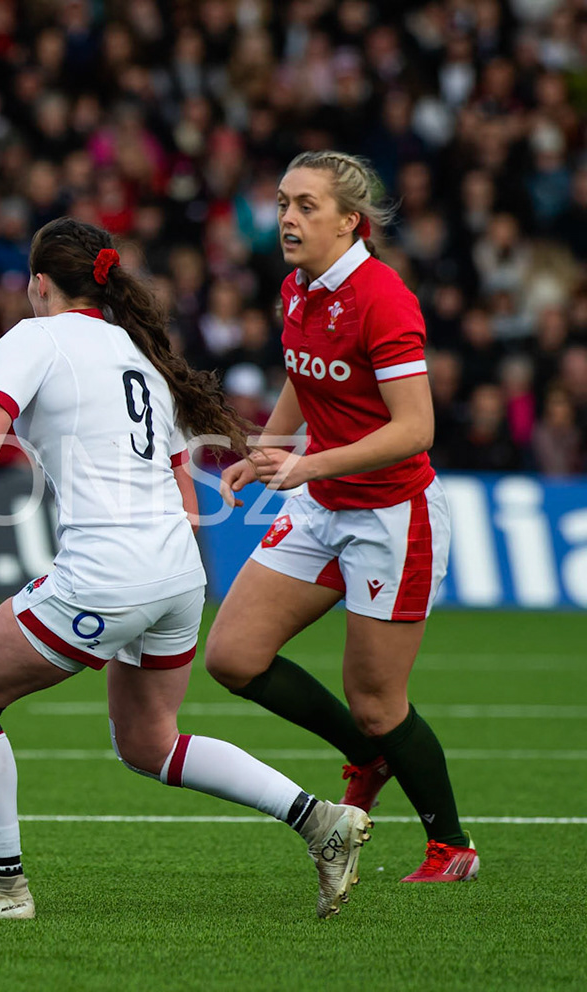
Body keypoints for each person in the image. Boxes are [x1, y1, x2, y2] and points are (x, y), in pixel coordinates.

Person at [0, 218, 370, 921]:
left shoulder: (30, 339)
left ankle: (3, 886)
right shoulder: (138, 352)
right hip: (176, 570)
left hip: (110, 569)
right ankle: (321, 821)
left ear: (38, 283)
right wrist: (166, 584)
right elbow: (180, 481)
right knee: (150, 742)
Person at [209, 151, 474, 883]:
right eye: (284, 202)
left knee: (378, 704)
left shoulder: (382, 298)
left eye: (305, 206)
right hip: (324, 503)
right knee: (232, 656)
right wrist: (266, 449)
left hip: (393, 515)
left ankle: (452, 847)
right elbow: (304, 372)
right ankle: (367, 759)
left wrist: (309, 464)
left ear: (349, 221)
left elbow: (414, 428)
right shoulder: (297, 288)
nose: (287, 218)